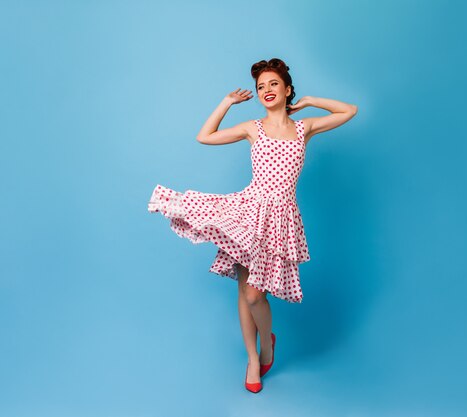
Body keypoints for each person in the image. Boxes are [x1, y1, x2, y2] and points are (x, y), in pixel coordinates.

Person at [148, 58, 358, 393]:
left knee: (255, 295)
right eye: (261, 87)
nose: (266, 90)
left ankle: (267, 346)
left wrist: (310, 102)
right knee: (246, 292)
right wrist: (227, 103)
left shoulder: (305, 128)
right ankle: (253, 358)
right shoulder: (252, 128)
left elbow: (349, 110)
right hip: (248, 212)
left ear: (287, 89)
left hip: (280, 218)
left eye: (273, 84)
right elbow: (205, 136)